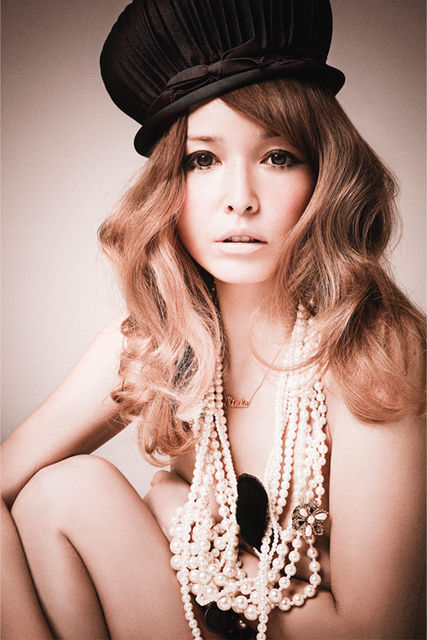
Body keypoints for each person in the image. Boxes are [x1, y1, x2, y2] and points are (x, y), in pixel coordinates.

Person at [2, 1, 425, 639]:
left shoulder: (374, 350)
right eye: (202, 160)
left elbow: (376, 631)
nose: (240, 199)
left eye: (278, 156)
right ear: (166, 186)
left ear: (325, 176)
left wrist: (183, 520)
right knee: (62, 491)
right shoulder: (154, 346)